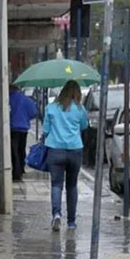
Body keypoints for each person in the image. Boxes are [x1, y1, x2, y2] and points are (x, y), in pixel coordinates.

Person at [43, 80, 88, 231]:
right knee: (72, 186)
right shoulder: (80, 109)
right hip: (75, 150)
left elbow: (46, 129)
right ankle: (71, 222)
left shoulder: (51, 108)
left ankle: (56, 214)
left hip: (55, 150)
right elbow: (84, 126)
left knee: (56, 184)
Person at [9, 84, 38, 182]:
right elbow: (33, 112)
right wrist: (25, 118)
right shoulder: (26, 99)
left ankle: (16, 172)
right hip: (23, 129)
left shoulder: (9, 99)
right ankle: (21, 169)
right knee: (21, 150)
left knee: (14, 151)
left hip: (12, 128)